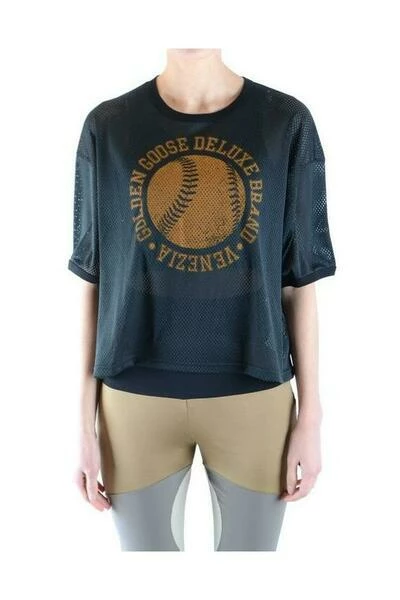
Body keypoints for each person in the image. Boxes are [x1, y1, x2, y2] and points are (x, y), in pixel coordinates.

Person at [68, 48, 337, 551]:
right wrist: (82, 426)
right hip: (133, 400)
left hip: (255, 395)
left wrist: (312, 417)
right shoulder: (108, 126)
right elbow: (93, 281)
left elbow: (299, 282)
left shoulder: (285, 122)